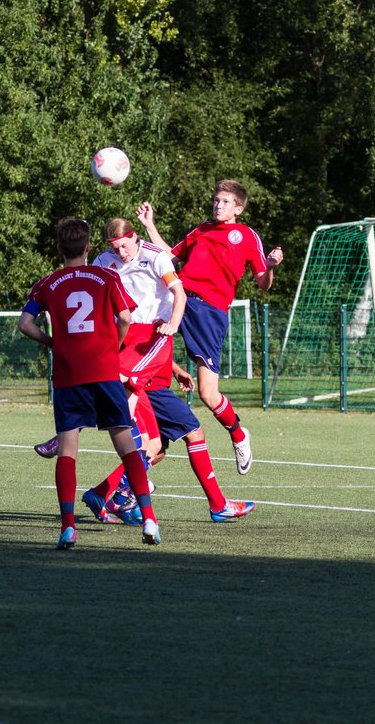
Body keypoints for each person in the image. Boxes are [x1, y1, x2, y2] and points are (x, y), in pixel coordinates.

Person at [75, 219, 255, 523]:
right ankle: (122, 494)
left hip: (154, 350)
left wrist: (173, 352)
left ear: (135, 237)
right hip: (137, 350)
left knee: (163, 445)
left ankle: (106, 492)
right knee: (159, 441)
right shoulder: (105, 262)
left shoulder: (155, 256)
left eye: (124, 245)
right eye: (114, 247)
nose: (121, 252)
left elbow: (179, 293)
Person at [18, 217, 161, 549]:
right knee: (127, 445)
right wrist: (116, 343)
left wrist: (52, 342)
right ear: (87, 247)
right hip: (105, 371)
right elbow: (125, 317)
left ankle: (68, 527)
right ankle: (150, 520)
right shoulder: (106, 276)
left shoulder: (48, 283)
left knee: (68, 452)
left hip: (69, 376)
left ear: (59, 249)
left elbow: (25, 324)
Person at [137, 179, 283, 475]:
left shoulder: (246, 235)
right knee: (141, 352)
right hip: (179, 298)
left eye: (225, 202)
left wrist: (271, 265)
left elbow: (262, 283)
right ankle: (145, 436)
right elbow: (169, 256)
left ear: (238, 209)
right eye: (216, 200)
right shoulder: (201, 230)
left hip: (209, 312)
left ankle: (238, 433)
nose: (218, 205)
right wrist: (149, 225)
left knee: (208, 393)